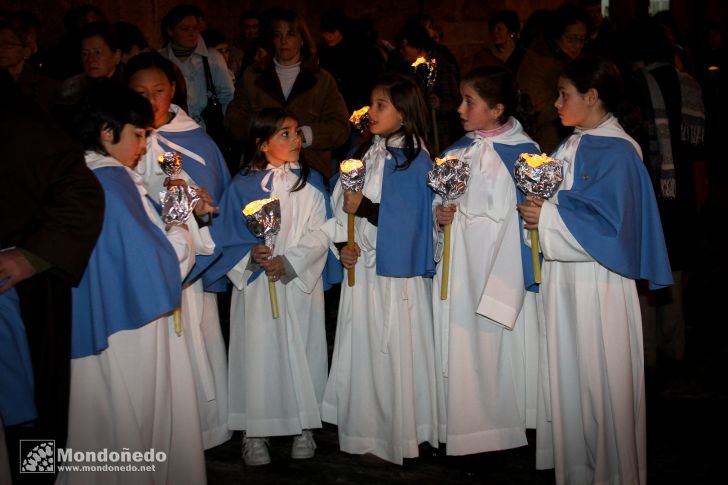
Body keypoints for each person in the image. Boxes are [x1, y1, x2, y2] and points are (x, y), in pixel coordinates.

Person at [517, 56, 672, 484]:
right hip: (566, 284)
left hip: (598, 285)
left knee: (601, 386)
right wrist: (536, 212)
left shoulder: (620, 154)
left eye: (564, 94)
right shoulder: (571, 144)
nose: (555, 102)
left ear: (592, 97)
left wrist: (543, 218)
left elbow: (611, 230)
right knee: (572, 383)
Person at [57, 80, 208, 484]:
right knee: (133, 428)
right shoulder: (112, 179)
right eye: (138, 134)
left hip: (96, 317)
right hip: (131, 327)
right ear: (107, 132)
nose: (144, 145)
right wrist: (180, 226)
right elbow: (162, 264)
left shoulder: (76, 171)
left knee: (101, 426)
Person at [204, 107, 336, 466]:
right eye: (285, 134)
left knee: (303, 350)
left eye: (295, 132)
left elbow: (323, 231)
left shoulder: (312, 182)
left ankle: (303, 425)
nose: (296, 139)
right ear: (262, 145)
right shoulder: (242, 185)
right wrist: (252, 255)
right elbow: (225, 236)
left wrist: (290, 261)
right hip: (258, 288)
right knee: (258, 354)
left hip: (297, 284)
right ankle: (254, 431)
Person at [321, 74, 439, 465]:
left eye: (380, 105)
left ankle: (398, 435)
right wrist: (344, 244)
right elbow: (341, 202)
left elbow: (413, 222)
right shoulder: (366, 151)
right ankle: (365, 430)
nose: (370, 112)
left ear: (404, 113)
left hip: (395, 278)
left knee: (394, 352)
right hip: (364, 273)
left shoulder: (414, 160)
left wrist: (366, 211)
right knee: (364, 352)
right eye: (371, 104)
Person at [432, 66, 542, 456]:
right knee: (463, 347)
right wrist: (439, 217)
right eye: (461, 100)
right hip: (461, 266)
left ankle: (507, 428)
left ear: (496, 109)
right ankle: (468, 434)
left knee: (502, 349)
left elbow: (537, 213)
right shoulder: (454, 152)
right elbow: (439, 203)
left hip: (502, 264)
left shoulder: (526, 155)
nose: (460, 109)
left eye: (469, 102)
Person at [0, 68, 103, 484]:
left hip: (21, 298)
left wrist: (33, 255)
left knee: (30, 424)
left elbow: (80, 192)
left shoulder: (16, 120)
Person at [125, 51, 233, 451]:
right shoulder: (121, 141)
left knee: (191, 345)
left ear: (173, 90)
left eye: (159, 90)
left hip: (187, 269)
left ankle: (197, 432)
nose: (151, 100)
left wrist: (196, 212)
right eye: (140, 92)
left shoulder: (195, 140)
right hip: (141, 267)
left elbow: (214, 199)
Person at [224, 8, 350, 180]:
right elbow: (233, 121)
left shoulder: (322, 80)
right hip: (263, 172)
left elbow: (340, 127)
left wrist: (305, 134)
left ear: (302, 39)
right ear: (271, 40)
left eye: (290, 34)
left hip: (310, 172)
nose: (284, 41)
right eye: (278, 35)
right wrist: (267, 132)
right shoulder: (253, 76)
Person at [517, 4, 592, 153]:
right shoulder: (537, 60)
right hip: (548, 141)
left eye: (582, 40)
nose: (577, 45)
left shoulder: (580, 62)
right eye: (571, 38)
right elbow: (537, 108)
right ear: (558, 35)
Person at [159, 4, 234, 127]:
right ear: (170, 31)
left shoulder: (212, 57)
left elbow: (227, 95)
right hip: (173, 126)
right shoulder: (161, 58)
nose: (192, 34)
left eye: (195, 28)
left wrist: (229, 125)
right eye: (185, 29)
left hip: (206, 127)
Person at [467, 10, 526, 75]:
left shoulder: (523, 56)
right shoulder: (484, 57)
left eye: (499, 29)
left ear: (511, 32)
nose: (495, 32)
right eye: (492, 29)